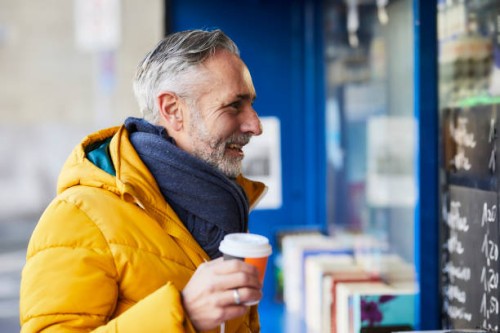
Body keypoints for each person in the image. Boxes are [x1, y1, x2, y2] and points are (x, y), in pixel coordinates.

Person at [19, 29, 267, 332]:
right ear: (173, 110)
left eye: (251, 104)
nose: (255, 125)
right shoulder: (79, 216)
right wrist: (182, 313)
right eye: (233, 105)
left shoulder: (221, 204)